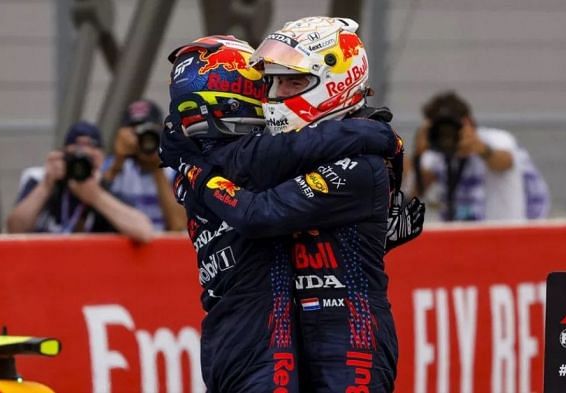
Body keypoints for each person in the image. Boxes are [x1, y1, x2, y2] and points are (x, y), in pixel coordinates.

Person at [163, 18, 418, 391]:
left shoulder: (363, 164)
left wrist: (196, 174)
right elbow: (255, 156)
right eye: (273, 81)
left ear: (337, 82)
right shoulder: (281, 154)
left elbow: (260, 213)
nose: (275, 94)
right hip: (288, 335)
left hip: (351, 338)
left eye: (292, 81)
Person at [5, 121, 153, 242]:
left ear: (101, 158)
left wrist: (96, 197)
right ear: (62, 154)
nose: (83, 154)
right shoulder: (42, 181)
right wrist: (46, 186)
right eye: (77, 148)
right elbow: (14, 229)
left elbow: (144, 231)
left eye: (91, 147)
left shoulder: (105, 188)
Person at [414, 91, 550, 221]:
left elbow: (505, 162)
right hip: (462, 237)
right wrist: (418, 153)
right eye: (440, 131)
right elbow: (415, 191)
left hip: (504, 234)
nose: (447, 138)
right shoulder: (436, 154)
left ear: (467, 122)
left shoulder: (496, 140)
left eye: (450, 130)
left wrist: (481, 149)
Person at [102, 99, 186, 231]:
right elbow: (92, 210)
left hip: (164, 248)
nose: (143, 138)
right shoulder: (114, 167)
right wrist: (118, 161)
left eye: (148, 131)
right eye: (136, 132)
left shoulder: (177, 169)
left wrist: (157, 168)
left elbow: (179, 225)